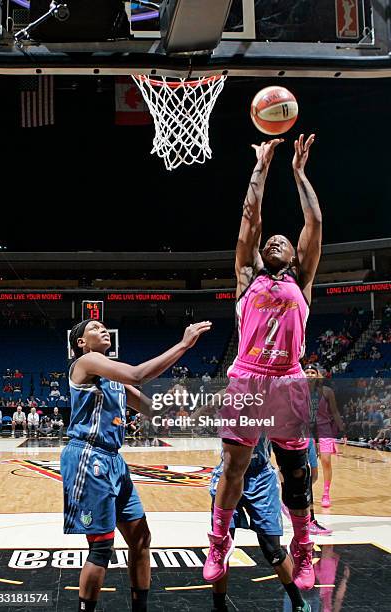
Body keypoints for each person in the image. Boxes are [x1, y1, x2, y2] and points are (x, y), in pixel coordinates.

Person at [203, 134, 322, 591]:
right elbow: (250, 219)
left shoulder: (302, 280)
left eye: (283, 240)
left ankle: (304, 548)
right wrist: (262, 167)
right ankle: (219, 541)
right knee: (233, 467)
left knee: (295, 472)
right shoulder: (248, 276)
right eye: (270, 240)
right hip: (248, 379)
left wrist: (297, 172)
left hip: (288, 379)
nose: (275, 239)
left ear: (295, 257)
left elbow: (313, 219)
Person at [61, 317, 211, 612]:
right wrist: (183, 345)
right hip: (88, 458)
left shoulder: (114, 378)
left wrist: (173, 399)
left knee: (141, 539)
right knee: (102, 547)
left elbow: (151, 410)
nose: (102, 329)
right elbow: (138, 374)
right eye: (93, 328)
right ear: (80, 343)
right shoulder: (86, 362)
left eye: (104, 326)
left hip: (114, 460)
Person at [210, 437, 310, 612]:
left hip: (261, 477)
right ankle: (219, 607)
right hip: (229, 473)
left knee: (273, 549)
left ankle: (298, 602)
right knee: (221, 547)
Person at [305, 364, 344, 508]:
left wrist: (342, 431)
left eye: (312, 372)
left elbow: (334, 412)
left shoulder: (327, 391)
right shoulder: (298, 391)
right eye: (307, 372)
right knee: (306, 465)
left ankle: (326, 493)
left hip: (324, 429)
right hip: (306, 430)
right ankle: (303, 493)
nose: (309, 374)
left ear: (317, 375)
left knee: (326, 460)